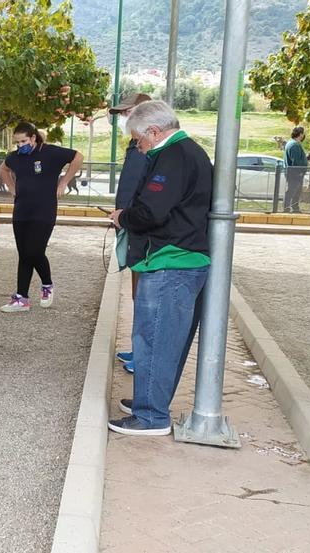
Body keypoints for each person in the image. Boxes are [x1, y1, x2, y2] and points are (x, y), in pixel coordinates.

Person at [105, 100, 212, 436]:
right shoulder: (185, 152)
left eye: (139, 140)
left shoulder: (173, 156)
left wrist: (123, 217)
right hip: (178, 259)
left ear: (153, 131)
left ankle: (151, 416)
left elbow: (151, 211)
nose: (139, 147)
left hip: (171, 261)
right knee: (164, 339)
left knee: (154, 339)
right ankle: (148, 402)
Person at [0, 122, 82, 313]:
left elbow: (77, 157)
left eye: (24, 141)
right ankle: (21, 298)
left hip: (44, 211)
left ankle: (47, 284)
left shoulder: (50, 152)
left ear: (33, 137)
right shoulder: (16, 157)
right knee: (23, 254)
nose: (21, 145)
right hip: (21, 211)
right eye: (17, 142)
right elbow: (3, 168)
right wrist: (11, 187)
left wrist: (63, 182)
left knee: (34, 251)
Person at [110, 92, 152, 374]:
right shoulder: (134, 146)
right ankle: (139, 348)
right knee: (139, 293)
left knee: (147, 295)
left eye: (129, 112)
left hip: (144, 230)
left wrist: (127, 216)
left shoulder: (150, 150)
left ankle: (145, 355)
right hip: (130, 225)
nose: (125, 118)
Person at [283, 126, 309, 213]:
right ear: (301, 134)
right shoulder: (294, 145)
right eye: (303, 133)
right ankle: (288, 208)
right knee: (292, 191)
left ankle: (294, 208)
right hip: (295, 173)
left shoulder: (291, 143)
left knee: (296, 191)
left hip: (293, 172)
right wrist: (299, 172)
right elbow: (296, 161)